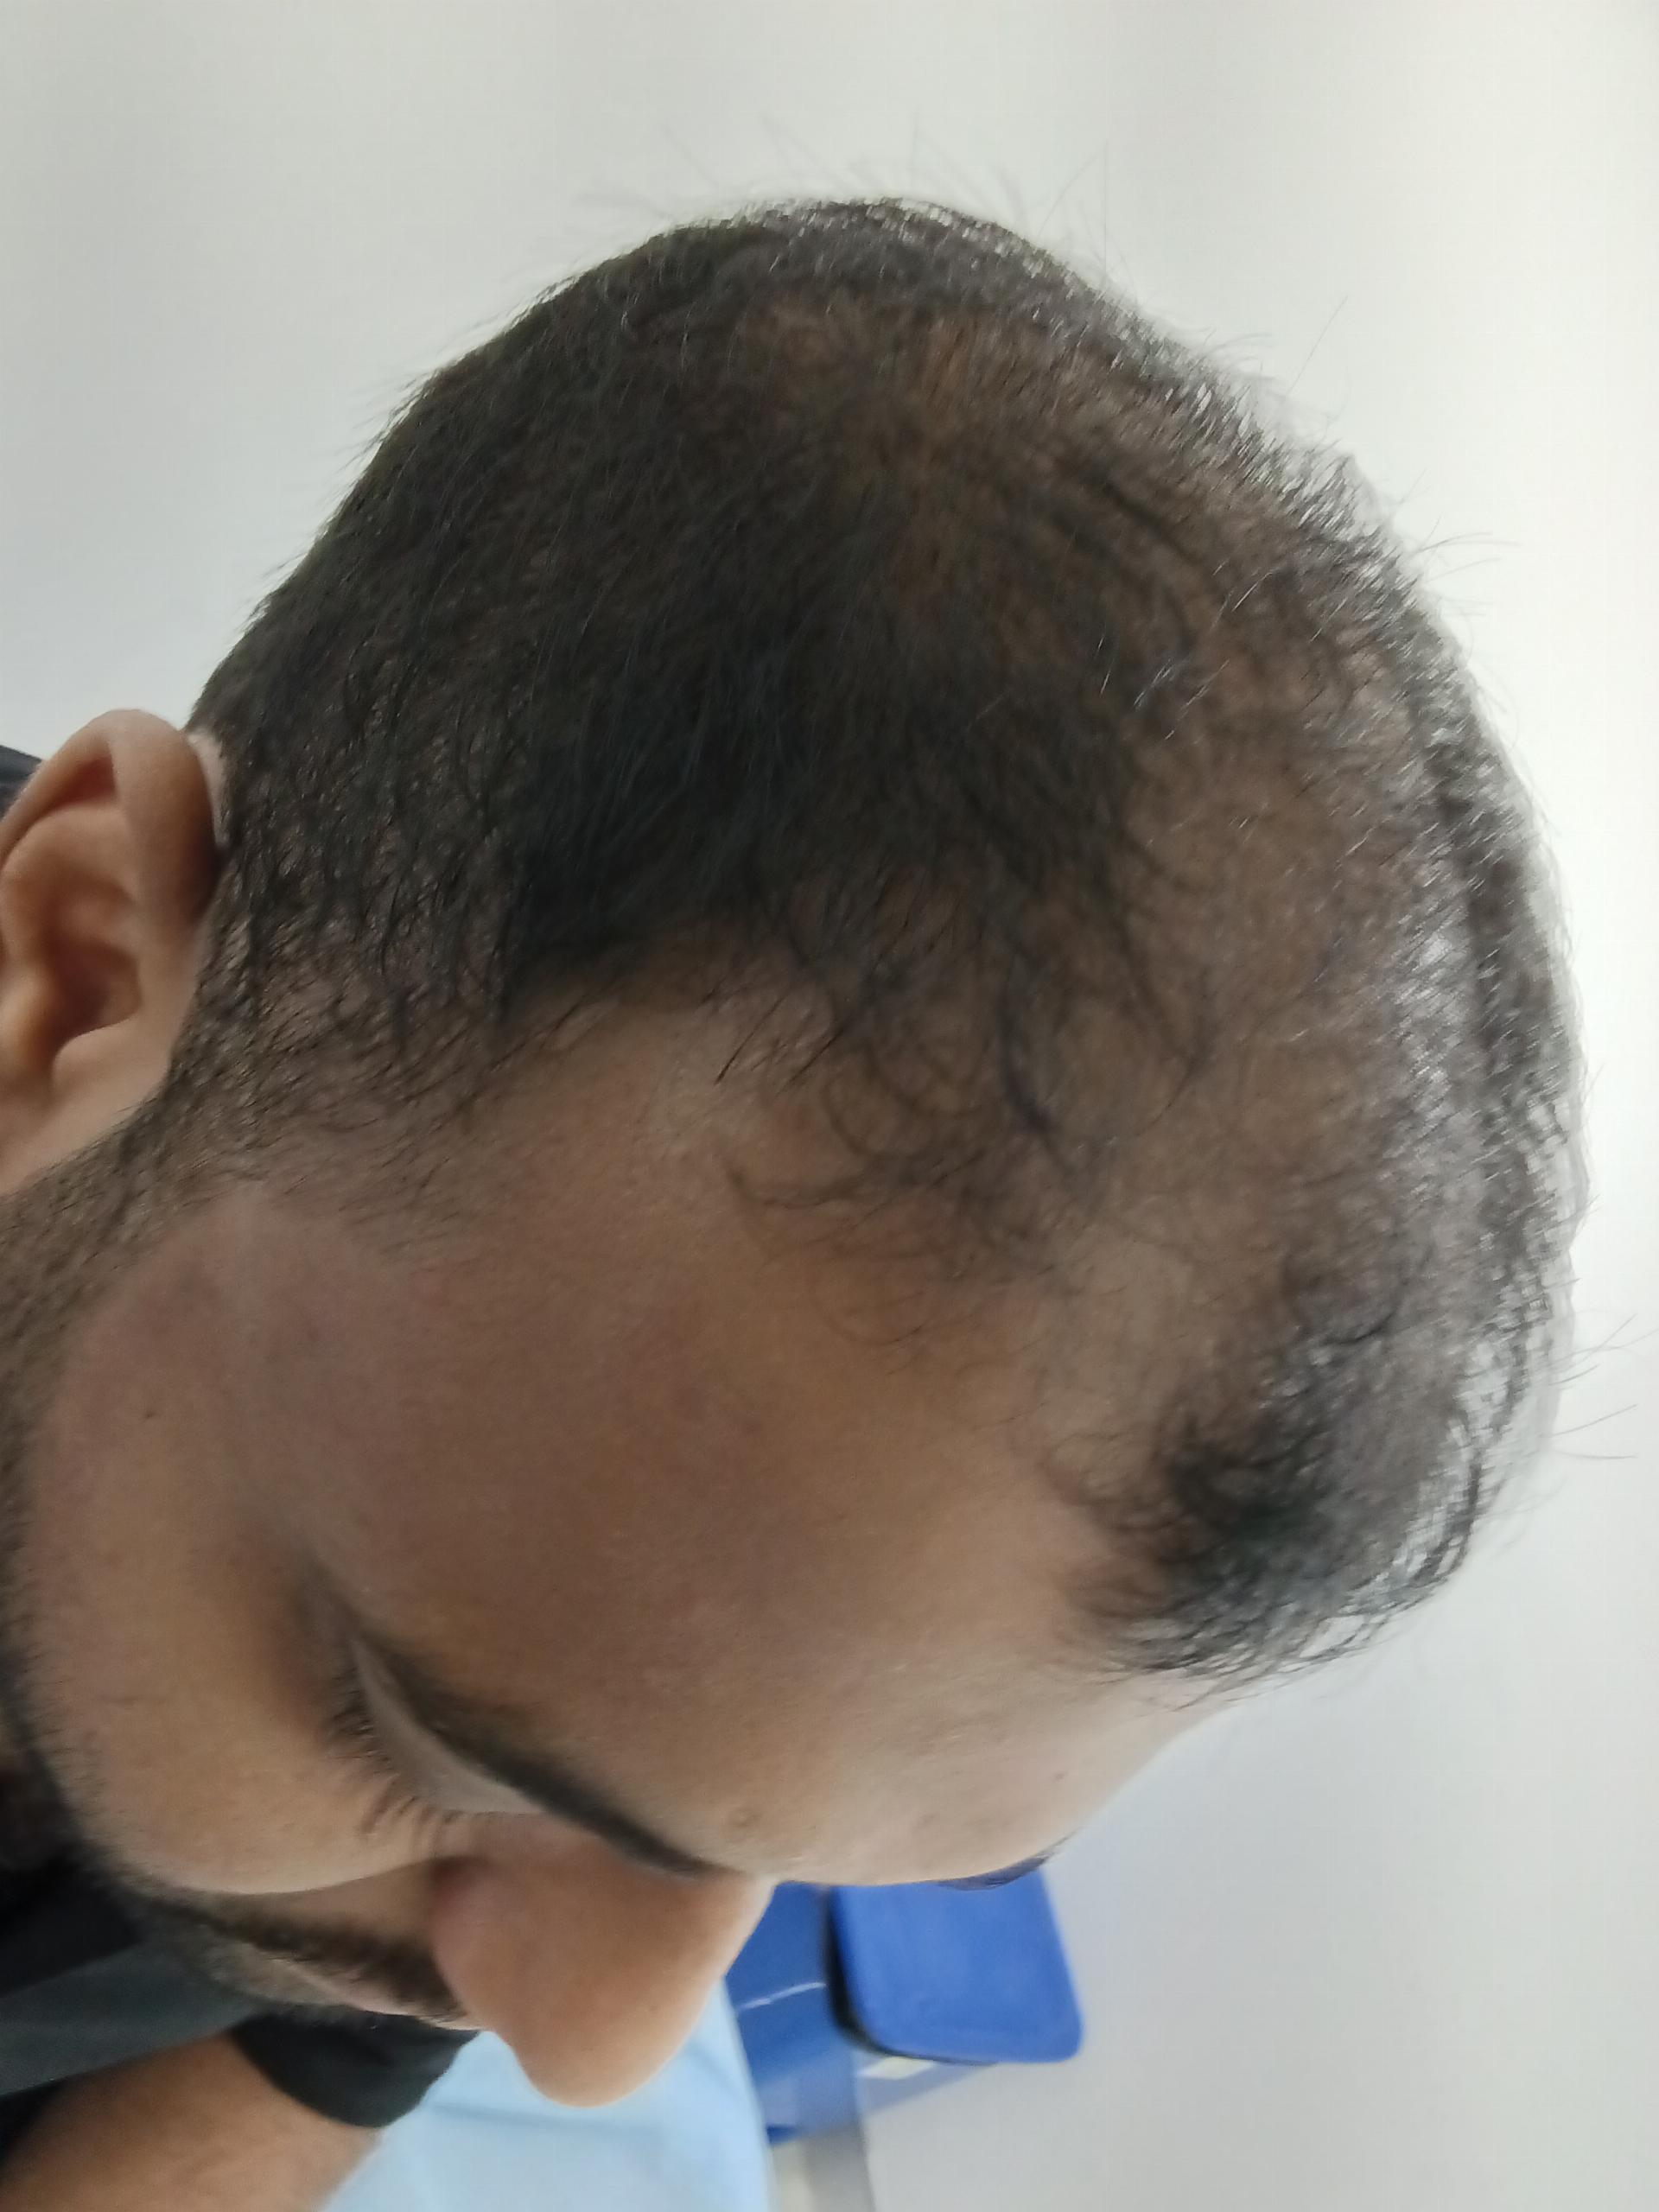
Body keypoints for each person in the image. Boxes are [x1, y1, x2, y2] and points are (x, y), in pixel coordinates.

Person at [0, 196, 1583, 2206]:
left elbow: (299, 2056)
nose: (594, 2041)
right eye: (433, 1746)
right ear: (73, 977)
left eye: (780, 1857)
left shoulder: (485, 1657)